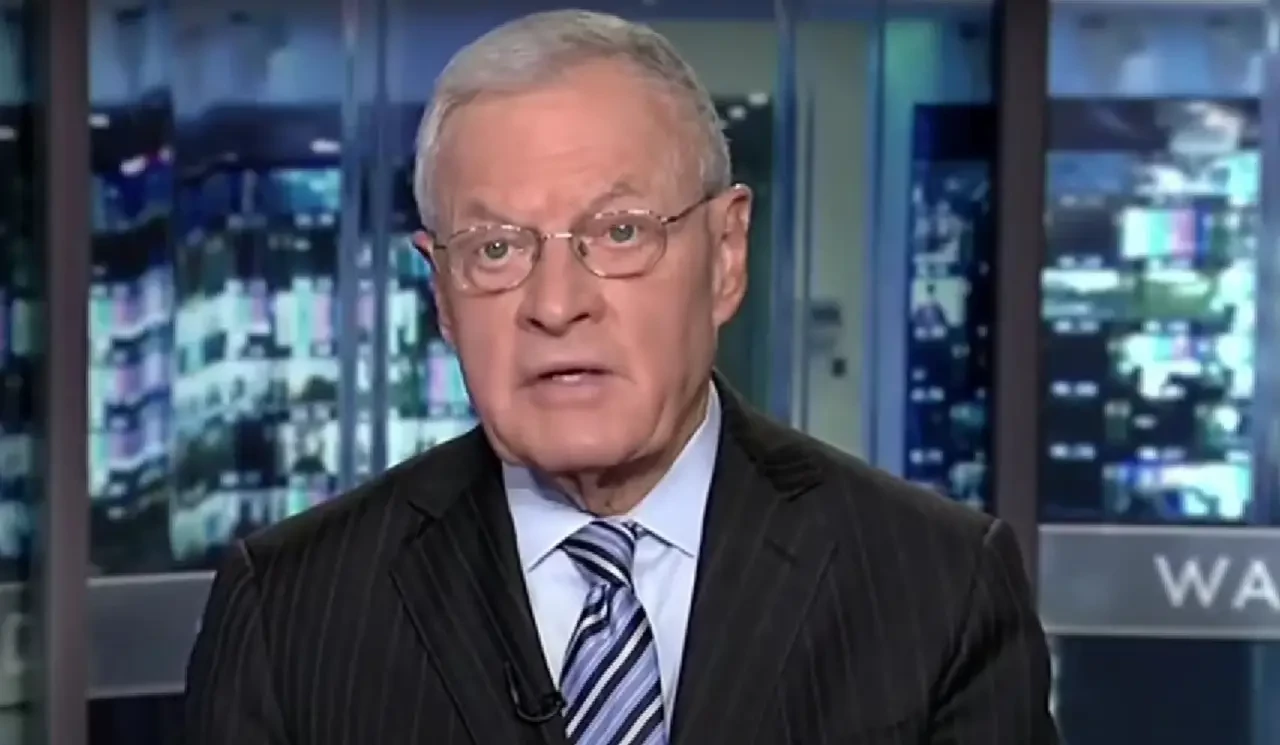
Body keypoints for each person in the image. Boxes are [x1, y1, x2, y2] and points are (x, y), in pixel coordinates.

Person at [184, 9, 1059, 745]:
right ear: (442, 294)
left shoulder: (936, 589)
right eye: (496, 249)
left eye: (620, 232)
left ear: (726, 254)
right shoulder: (291, 612)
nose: (556, 304)